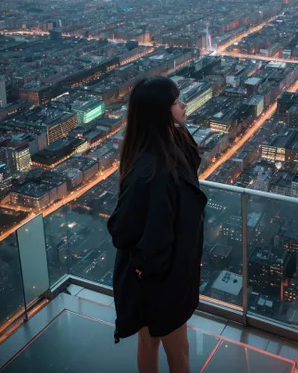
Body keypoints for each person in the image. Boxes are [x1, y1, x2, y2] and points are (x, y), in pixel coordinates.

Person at [107, 76, 207, 373]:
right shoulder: (152, 168)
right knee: (179, 353)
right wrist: (145, 262)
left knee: (149, 342)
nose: (183, 105)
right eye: (176, 102)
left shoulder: (161, 149)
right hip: (161, 277)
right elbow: (122, 226)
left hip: (159, 272)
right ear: (160, 112)